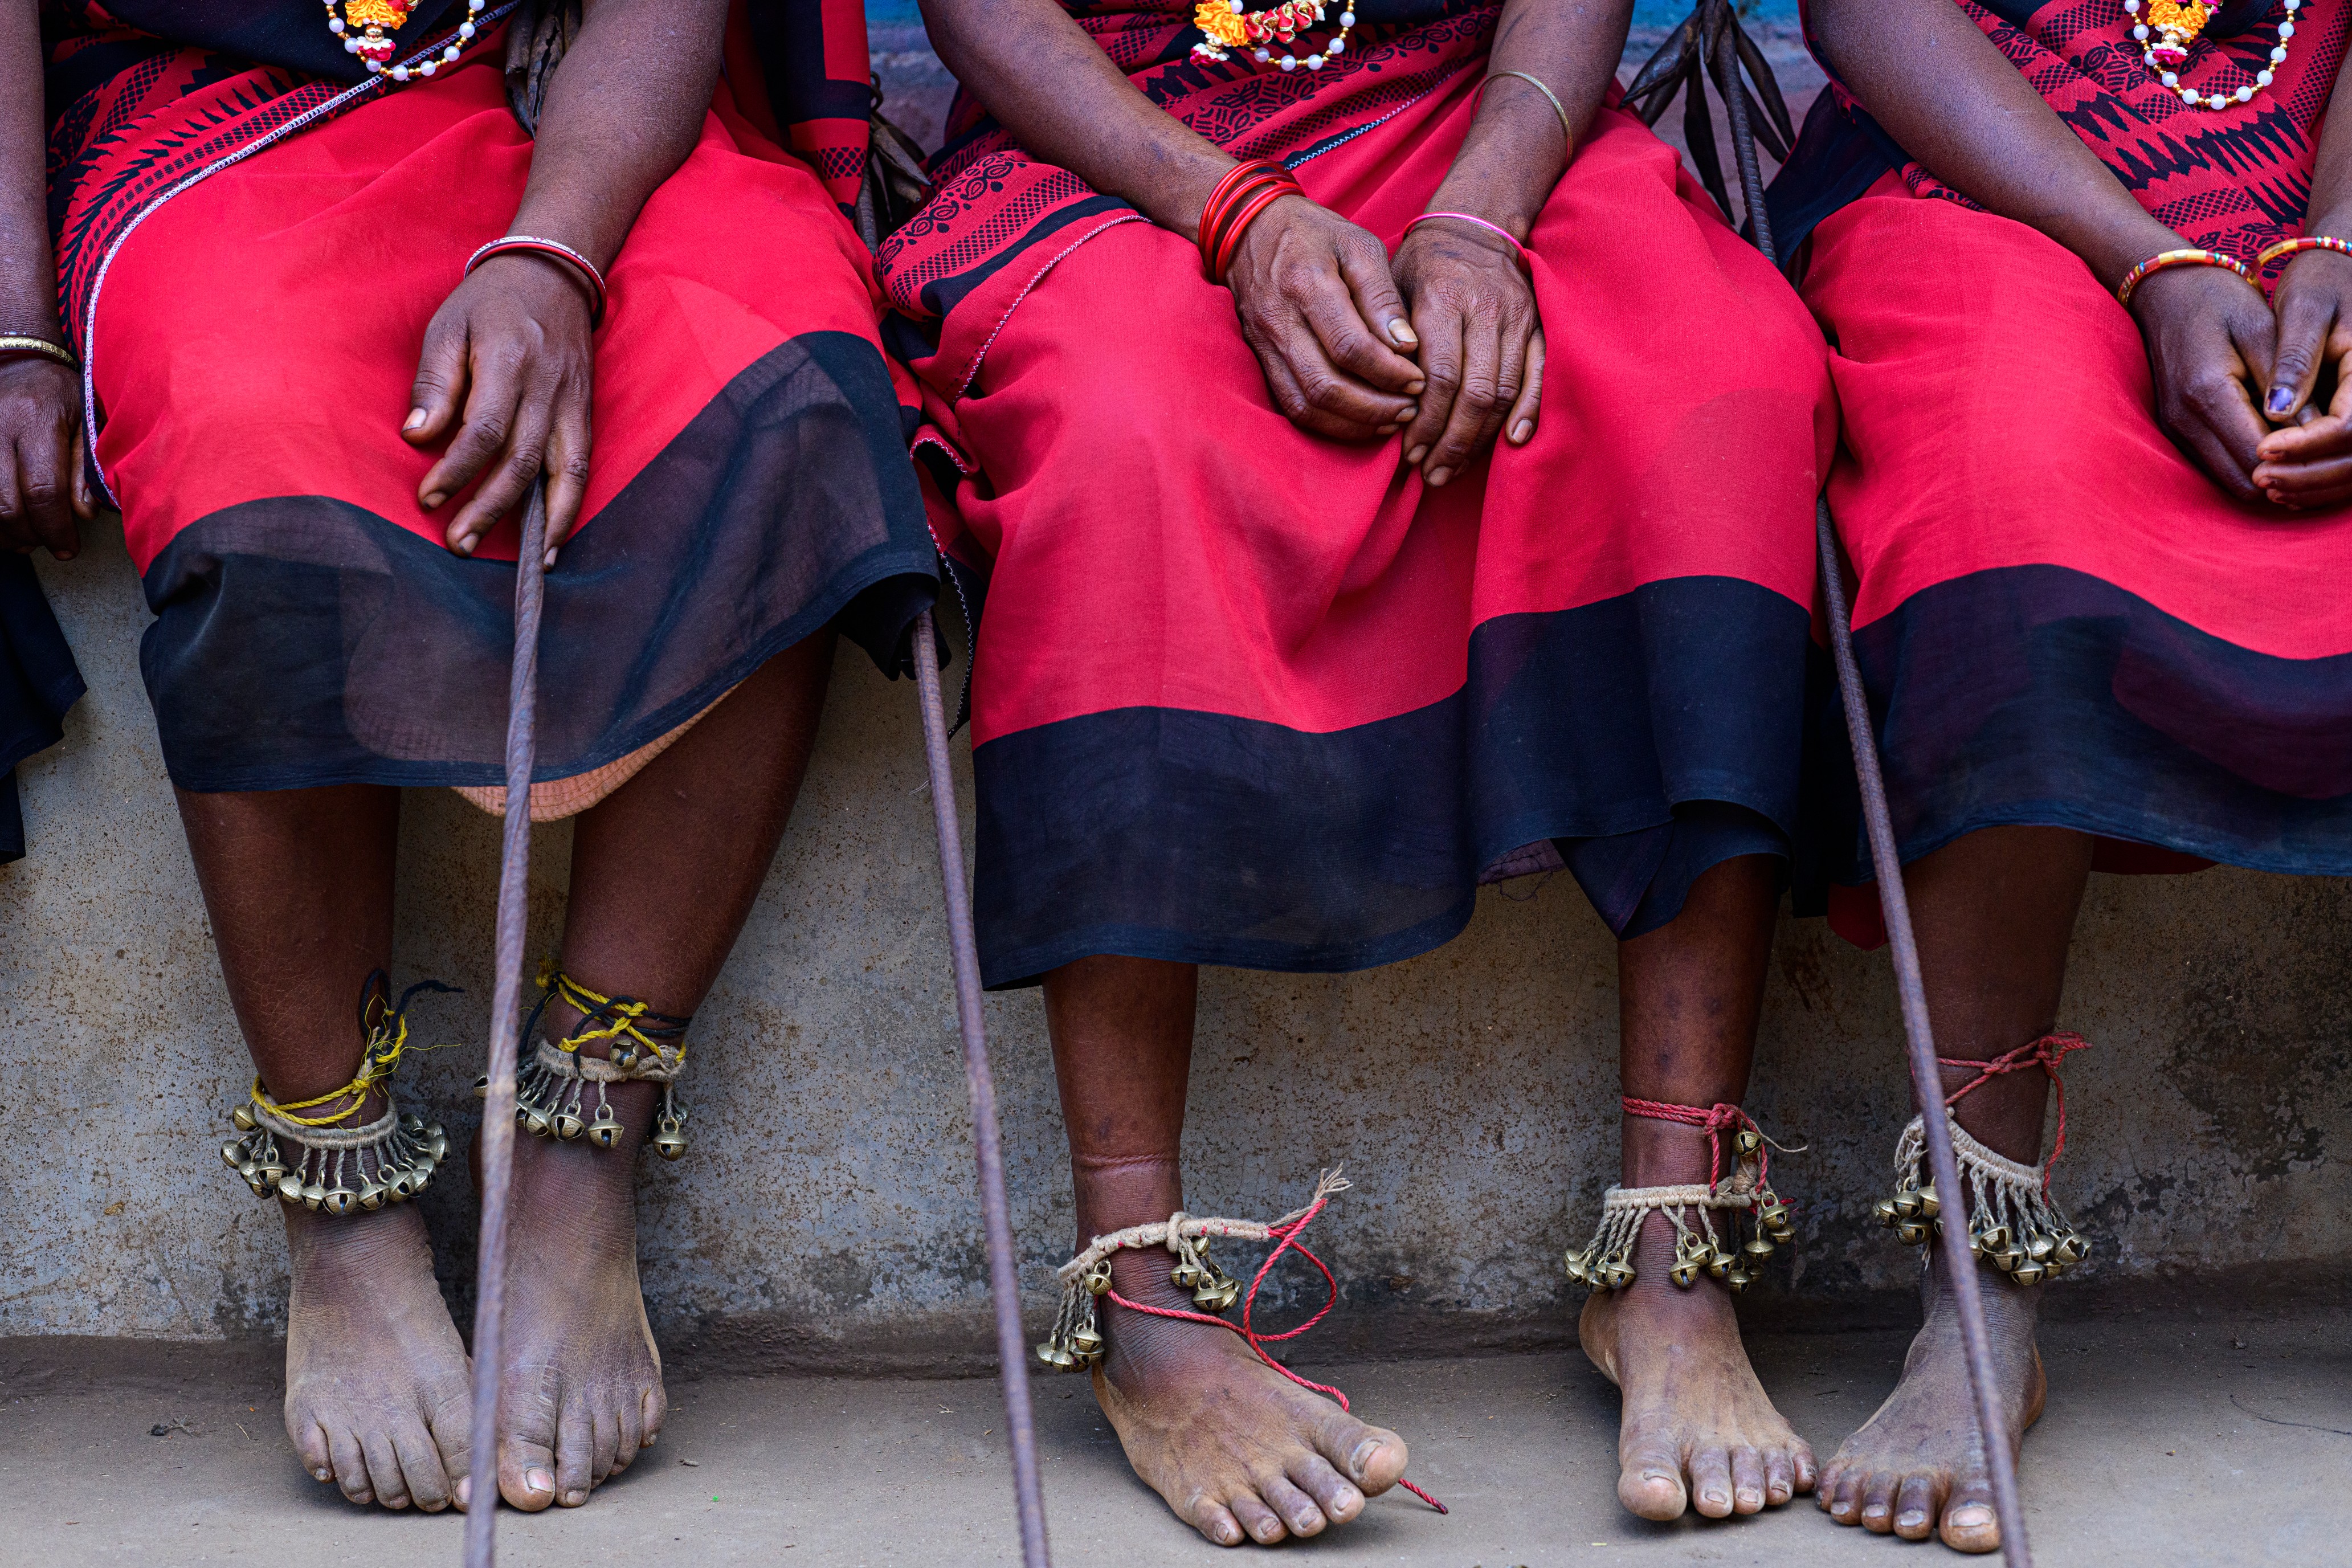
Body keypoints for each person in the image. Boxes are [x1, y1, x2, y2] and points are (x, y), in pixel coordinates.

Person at [892, 0, 1836, 1541]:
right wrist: (1238, 215)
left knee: (1720, 381)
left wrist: (1481, 214)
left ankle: (1678, 1255)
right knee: (1124, 436)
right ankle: (1146, 1302)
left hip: (1470, 123)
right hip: (1121, 153)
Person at [7, 0, 934, 1513]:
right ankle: (343, 1190)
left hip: (566, 99)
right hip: (211, 117)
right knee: (248, 450)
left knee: (793, 387)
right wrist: (11, 319)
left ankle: (583, 1143)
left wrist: (553, 254)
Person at [1775, 0, 2352, 1551]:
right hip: (1994, 186)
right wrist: (2154, 264)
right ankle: (1978, 1278)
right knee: (2003, 516)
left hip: (2317, 192)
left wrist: (2347, 247)